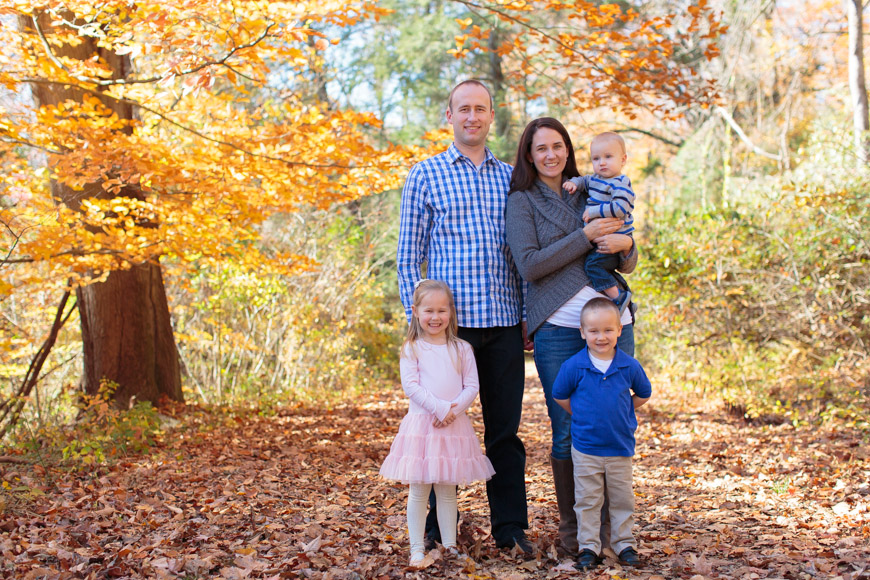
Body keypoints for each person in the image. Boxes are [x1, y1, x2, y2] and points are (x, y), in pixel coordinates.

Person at [397, 80, 534, 554]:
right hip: (445, 334)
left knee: (504, 432)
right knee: (439, 429)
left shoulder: (512, 177)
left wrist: (527, 316)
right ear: (449, 115)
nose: (472, 117)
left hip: (501, 324)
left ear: (491, 115)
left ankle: (511, 529)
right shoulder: (425, 175)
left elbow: (522, 254)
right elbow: (406, 257)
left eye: (480, 109)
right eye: (463, 109)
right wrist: (417, 325)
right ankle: (436, 532)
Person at [504, 117, 637, 555]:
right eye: (540, 148)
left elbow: (623, 249)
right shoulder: (522, 201)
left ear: (568, 149)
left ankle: (613, 532)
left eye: (558, 145)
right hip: (559, 326)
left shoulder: (589, 187)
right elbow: (530, 264)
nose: (550, 155)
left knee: (612, 422)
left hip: (612, 322)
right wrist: (584, 236)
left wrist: (627, 247)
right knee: (567, 428)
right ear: (528, 154)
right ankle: (576, 531)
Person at [380, 280, 495, 567]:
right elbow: (412, 387)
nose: (435, 317)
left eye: (442, 310)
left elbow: (471, 386)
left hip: (453, 427)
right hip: (423, 425)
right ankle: (417, 547)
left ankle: (451, 545)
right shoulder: (412, 348)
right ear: (416, 312)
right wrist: (440, 409)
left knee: (447, 491)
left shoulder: (461, 348)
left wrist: (453, 411)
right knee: (419, 490)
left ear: (451, 312)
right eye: (429, 310)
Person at [552, 297, 651, 570]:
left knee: (621, 499)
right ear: (582, 332)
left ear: (620, 329)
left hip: (619, 447)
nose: (601, 337)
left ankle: (623, 543)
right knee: (587, 500)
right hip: (586, 449)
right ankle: (588, 546)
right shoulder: (574, 366)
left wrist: (624, 410)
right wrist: (581, 412)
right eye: (593, 331)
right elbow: (560, 395)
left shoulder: (628, 365)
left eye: (608, 330)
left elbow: (644, 393)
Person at [563, 132, 636, 314]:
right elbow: (584, 181)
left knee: (593, 266)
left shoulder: (620, 183)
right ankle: (625, 302)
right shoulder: (595, 179)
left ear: (623, 159)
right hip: (601, 239)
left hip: (614, 240)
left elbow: (620, 208)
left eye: (608, 157)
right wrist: (574, 183)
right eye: (596, 158)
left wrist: (593, 212)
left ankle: (619, 297)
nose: (601, 163)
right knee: (593, 264)